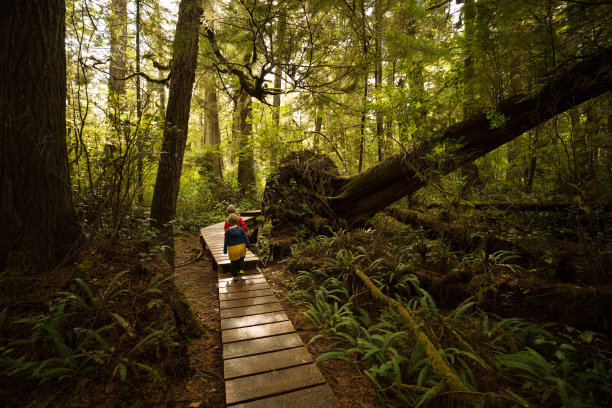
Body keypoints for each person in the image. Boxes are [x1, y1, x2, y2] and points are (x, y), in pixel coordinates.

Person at [223, 213, 251, 280]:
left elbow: (226, 241)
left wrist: (225, 250)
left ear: (229, 222)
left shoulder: (227, 232)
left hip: (232, 249)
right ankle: (241, 269)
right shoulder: (241, 230)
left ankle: (234, 276)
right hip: (241, 247)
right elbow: (245, 238)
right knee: (241, 259)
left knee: (233, 262)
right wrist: (248, 245)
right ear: (238, 221)